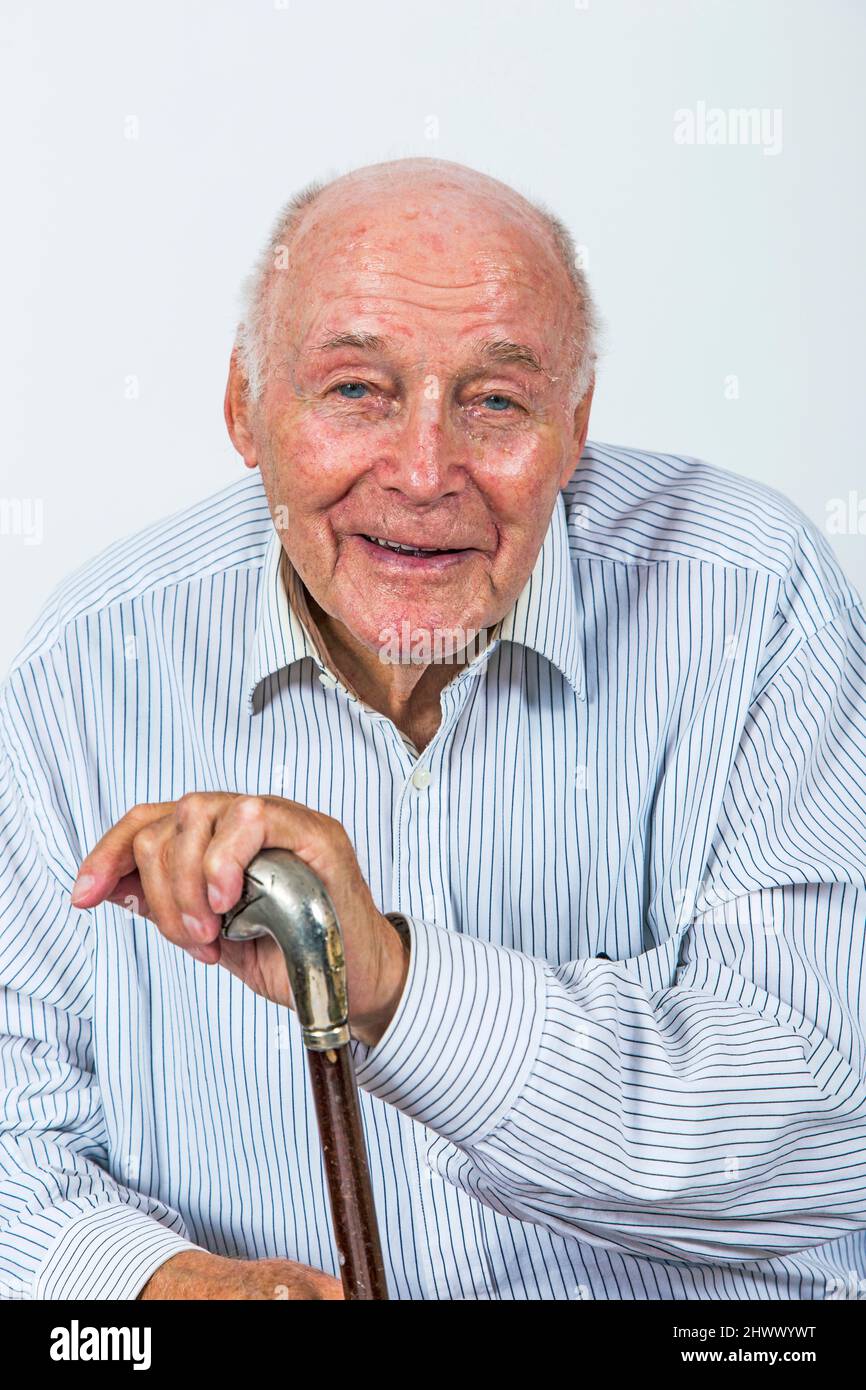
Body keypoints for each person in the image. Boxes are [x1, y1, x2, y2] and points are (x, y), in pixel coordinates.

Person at [1, 158, 865, 1302]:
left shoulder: (751, 598)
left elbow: (821, 1136)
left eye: (494, 402)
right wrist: (162, 1284)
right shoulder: (91, 657)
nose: (421, 472)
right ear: (244, 410)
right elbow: (17, 1132)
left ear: (575, 424)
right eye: (354, 390)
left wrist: (394, 982)